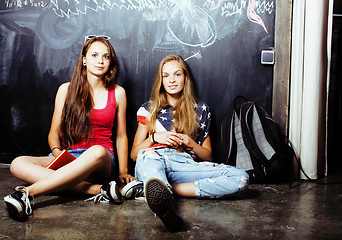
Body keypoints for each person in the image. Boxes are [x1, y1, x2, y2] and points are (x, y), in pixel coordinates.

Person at [4, 36, 142, 221]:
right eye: (94, 55)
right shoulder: (65, 90)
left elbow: (121, 136)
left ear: (111, 61)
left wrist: (123, 170)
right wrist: (57, 153)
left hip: (100, 160)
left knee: (97, 151)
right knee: (18, 164)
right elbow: (54, 132)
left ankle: (26, 193)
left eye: (106, 56)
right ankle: (99, 191)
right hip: (69, 157)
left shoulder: (118, 92)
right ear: (84, 59)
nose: (100, 61)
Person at [130, 54, 249, 232]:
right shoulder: (149, 109)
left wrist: (190, 142)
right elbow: (134, 155)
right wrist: (154, 138)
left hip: (183, 163)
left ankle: (163, 192)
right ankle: (161, 197)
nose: (172, 80)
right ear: (160, 80)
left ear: (186, 78)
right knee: (150, 163)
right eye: (166, 75)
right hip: (152, 158)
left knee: (240, 178)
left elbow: (208, 156)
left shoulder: (201, 110)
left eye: (177, 74)